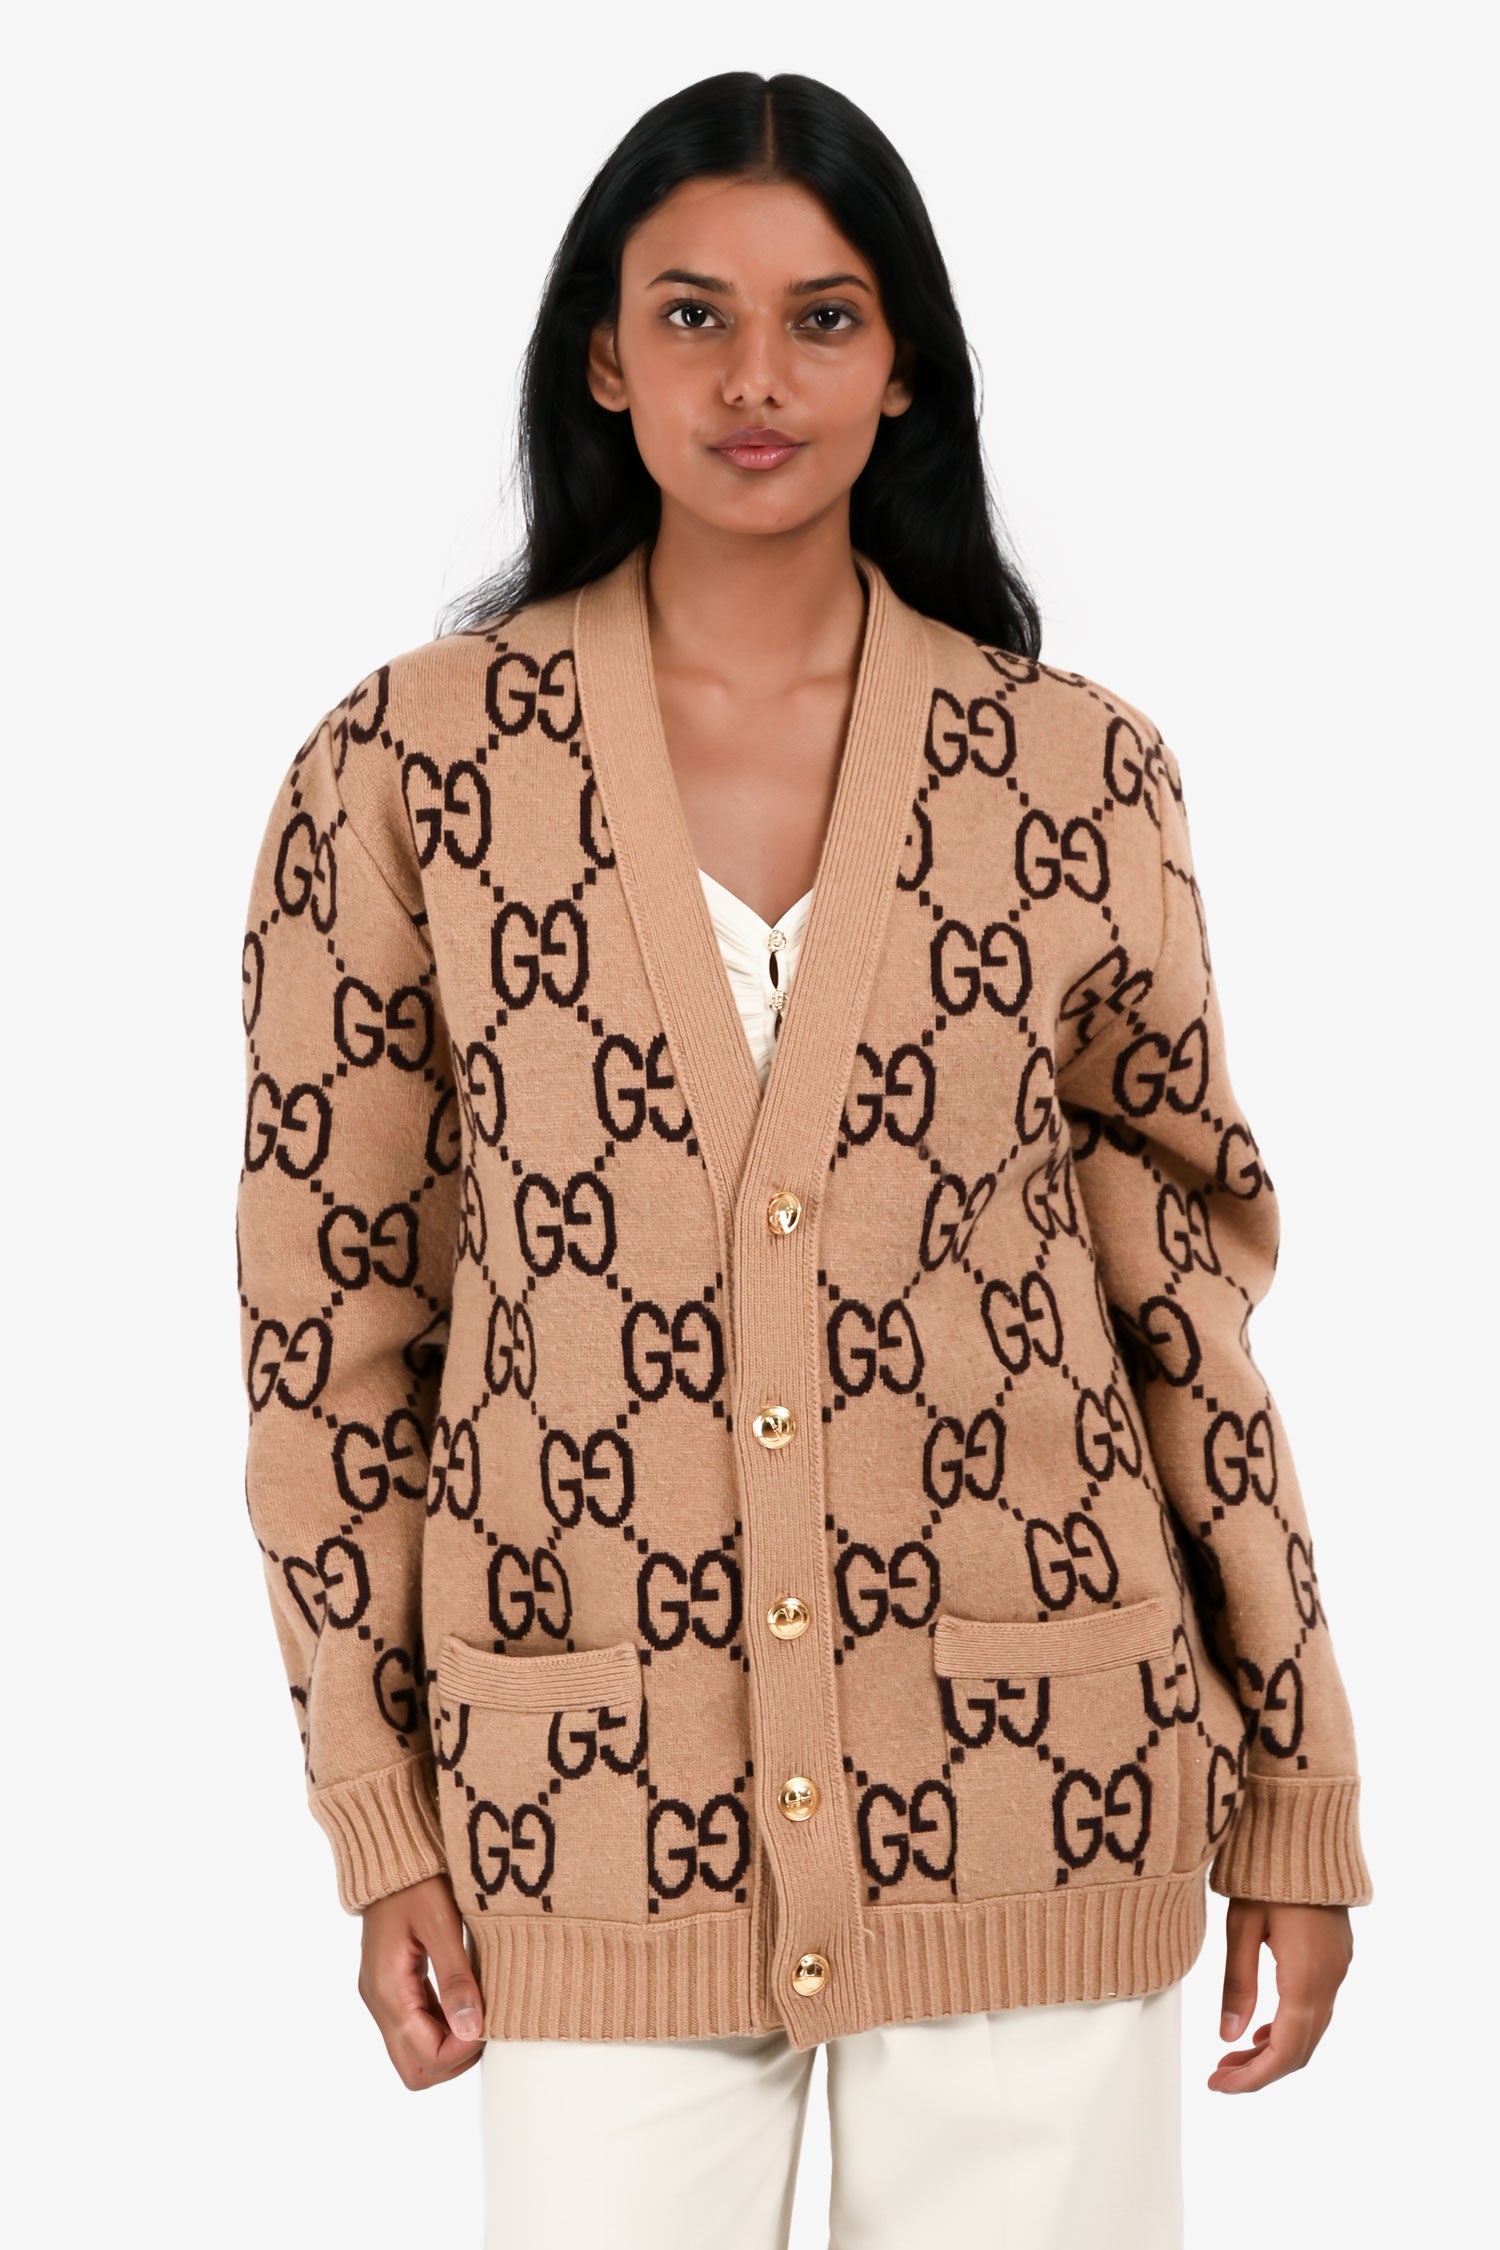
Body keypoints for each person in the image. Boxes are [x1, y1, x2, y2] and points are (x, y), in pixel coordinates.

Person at [234, 70, 1373, 2250]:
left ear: (905, 362)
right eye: (692, 314)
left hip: (1047, 1774)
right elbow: (329, 1336)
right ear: (602, 354)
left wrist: (1298, 1785)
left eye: (823, 317)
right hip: (591, 1794)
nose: (756, 378)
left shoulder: (1073, 778)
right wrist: (377, 1809)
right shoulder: (406, 775)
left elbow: (1185, 1311)